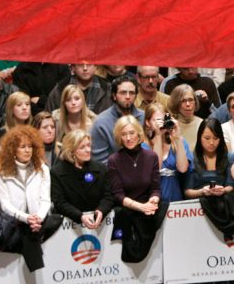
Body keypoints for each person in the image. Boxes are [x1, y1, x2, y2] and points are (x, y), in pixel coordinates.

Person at [108, 115, 168, 263]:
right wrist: (141, 207)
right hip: (128, 211)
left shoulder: (151, 156)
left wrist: (154, 199)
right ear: (119, 137)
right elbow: (118, 195)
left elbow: (155, 188)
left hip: (149, 211)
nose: (128, 138)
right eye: (124, 134)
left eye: (131, 133)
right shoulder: (114, 160)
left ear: (139, 134)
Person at [0, 125, 52, 272]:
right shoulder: (2, 171)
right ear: (13, 149)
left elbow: (45, 200)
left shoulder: (43, 168)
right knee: (28, 234)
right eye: (22, 146)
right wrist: (27, 218)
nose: (27, 150)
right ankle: (37, 269)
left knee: (50, 223)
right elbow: (5, 204)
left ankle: (37, 270)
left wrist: (37, 218)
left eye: (30, 146)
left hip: (38, 220)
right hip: (15, 221)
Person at [50, 130, 114, 229]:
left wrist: (101, 210)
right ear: (71, 151)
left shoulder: (101, 169)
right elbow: (60, 202)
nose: (88, 150)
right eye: (82, 147)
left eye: (88, 145)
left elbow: (108, 196)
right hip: (69, 227)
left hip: (99, 224)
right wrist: (80, 216)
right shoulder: (57, 173)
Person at [141, 103, 192, 202]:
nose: (162, 123)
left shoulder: (178, 142)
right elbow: (156, 168)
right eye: (158, 120)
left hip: (176, 198)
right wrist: (158, 136)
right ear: (147, 122)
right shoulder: (143, 146)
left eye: (164, 119)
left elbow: (182, 169)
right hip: (153, 200)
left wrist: (177, 138)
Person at [90, 75, 145, 164]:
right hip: (113, 174)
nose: (128, 96)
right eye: (123, 93)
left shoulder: (143, 117)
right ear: (114, 95)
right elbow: (99, 163)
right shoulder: (101, 122)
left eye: (131, 93)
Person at [185, 118, 234, 198]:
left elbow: (231, 186)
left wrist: (223, 190)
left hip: (223, 204)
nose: (212, 143)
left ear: (221, 138)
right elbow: (187, 191)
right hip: (197, 206)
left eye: (216, 138)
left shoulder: (229, 157)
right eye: (207, 138)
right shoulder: (191, 158)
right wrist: (201, 192)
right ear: (199, 137)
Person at [45, 62, 113, 114]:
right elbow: (49, 117)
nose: (85, 68)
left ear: (96, 66)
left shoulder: (107, 89)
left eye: (89, 64)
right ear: (72, 67)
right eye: (80, 64)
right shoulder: (60, 89)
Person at [168, 84, 203, 152]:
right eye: (183, 101)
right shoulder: (170, 126)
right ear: (176, 103)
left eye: (190, 100)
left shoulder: (202, 124)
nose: (188, 104)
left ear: (195, 102)